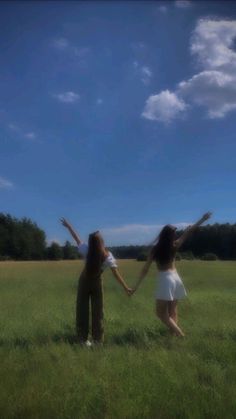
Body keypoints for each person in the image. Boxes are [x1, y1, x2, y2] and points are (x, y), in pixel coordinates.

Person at [131, 212, 212, 337]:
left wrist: (135, 286)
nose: (175, 235)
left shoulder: (155, 249)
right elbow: (189, 231)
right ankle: (172, 336)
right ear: (170, 236)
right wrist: (203, 219)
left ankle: (180, 334)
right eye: (174, 233)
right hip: (176, 278)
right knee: (173, 310)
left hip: (166, 279)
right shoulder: (175, 245)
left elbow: (145, 269)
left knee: (160, 313)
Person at [60, 218, 132, 346]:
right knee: (98, 311)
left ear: (91, 243)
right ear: (101, 242)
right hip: (97, 282)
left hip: (83, 282)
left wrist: (69, 226)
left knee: (82, 309)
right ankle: (97, 340)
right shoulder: (108, 256)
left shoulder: (87, 250)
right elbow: (116, 275)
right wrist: (126, 288)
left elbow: (76, 238)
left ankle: (82, 340)